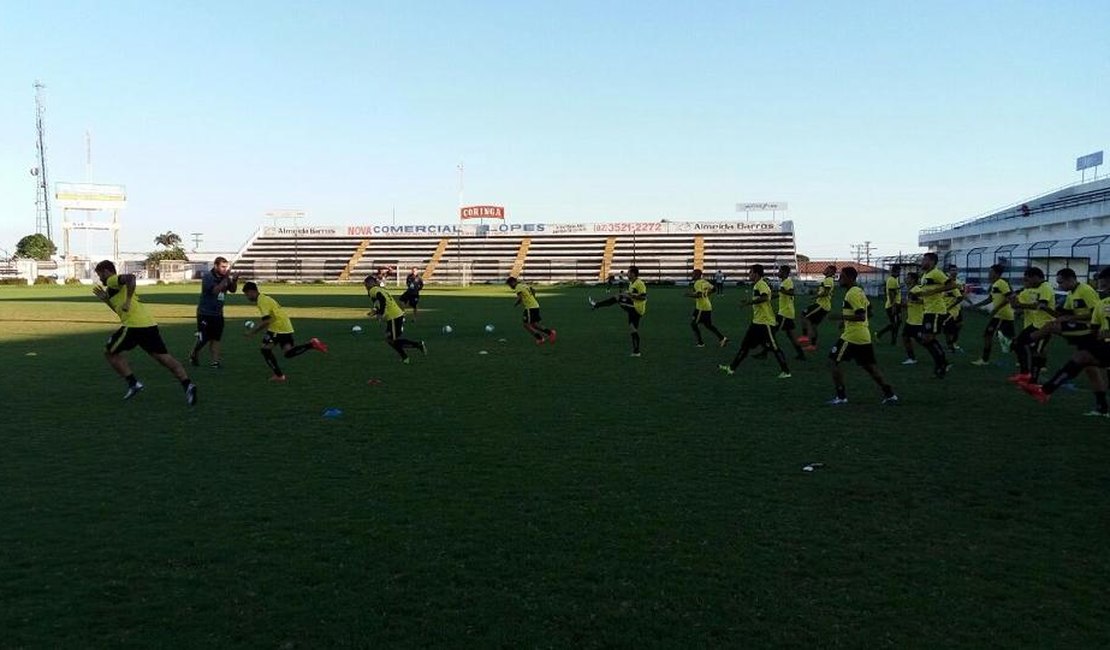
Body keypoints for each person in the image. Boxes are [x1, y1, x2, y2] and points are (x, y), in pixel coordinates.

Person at [92, 260, 197, 405]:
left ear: (106, 271)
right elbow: (121, 312)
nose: (100, 279)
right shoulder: (113, 289)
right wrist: (107, 300)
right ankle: (188, 385)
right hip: (148, 324)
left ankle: (133, 383)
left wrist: (128, 300)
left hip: (134, 326)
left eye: (100, 275)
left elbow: (131, 278)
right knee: (164, 358)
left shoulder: (111, 280)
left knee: (110, 352)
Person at [1021, 268, 1105, 414]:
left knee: (1051, 326)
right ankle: (1102, 407)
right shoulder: (1071, 294)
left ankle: (1027, 340)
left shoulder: (1086, 290)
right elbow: (1062, 314)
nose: (1060, 286)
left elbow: (1095, 313)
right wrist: (1047, 309)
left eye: (1061, 283)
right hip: (1084, 333)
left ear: (1071, 279)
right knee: (1091, 369)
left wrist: (1072, 318)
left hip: (1090, 330)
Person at [825, 266, 898, 405]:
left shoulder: (852, 293)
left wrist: (840, 317)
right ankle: (890, 394)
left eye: (842, 277)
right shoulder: (859, 291)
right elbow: (869, 311)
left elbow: (861, 316)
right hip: (863, 336)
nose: (839, 279)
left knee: (833, 362)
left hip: (852, 336)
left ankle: (841, 397)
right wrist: (846, 319)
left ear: (850, 278)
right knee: (870, 368)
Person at [242, 281, 328, 381]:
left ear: (252, 291)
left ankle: (279, 375)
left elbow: (266, 321)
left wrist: (252, 332)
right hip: (285, 326)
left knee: (265, 350)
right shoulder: (264, 298)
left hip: (278, 328)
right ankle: (311, 345)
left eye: (247, 294)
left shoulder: (262, 301)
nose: (247, 297)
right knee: (288, 353)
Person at [718, 264, 791, 379]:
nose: (749, 274)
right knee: (745, 346)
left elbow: (765, 297)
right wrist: (750, 301)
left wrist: (749, 302)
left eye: (750, 272)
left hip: (765, 322)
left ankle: (786, 372)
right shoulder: (759, 284)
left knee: (775, 347)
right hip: (757, 322)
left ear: (756, 274)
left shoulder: (761, 284)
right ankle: (731, 368)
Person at [1008, 267, 1056, 385]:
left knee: (1036, 351)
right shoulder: (1031, 289)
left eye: (1028, 279)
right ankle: (1025, 374)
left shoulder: (1046, 287)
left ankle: (1033, 381)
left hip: (1045, 326)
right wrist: (1014, 302)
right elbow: (1018, 307)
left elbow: (1041, 305)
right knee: (1017, 343)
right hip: (1035, 325)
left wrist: (1020, 305)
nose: (1026, 282)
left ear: (1036, 277)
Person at [189, 256, 239, 368]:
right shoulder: (208, 277)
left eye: (226, 267)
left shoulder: (225, 277)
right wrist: (226, 278)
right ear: (216, 266)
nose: (225, 269)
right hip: (205, 313)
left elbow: (233, 290)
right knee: (204, 338)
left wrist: (234, 280)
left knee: (216, 338)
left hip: (218, 314)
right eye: (222, 267)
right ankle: (194, 353)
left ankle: (215, 362)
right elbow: (215, 291)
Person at [367, 270, 426, 363]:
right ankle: (407, 355)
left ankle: (415, 348)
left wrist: (380, 313)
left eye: (366, 284)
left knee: (391, 340)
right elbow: (379, 302)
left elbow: (382, 300)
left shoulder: (373, 290)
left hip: (394, 316)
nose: (365, 286)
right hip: (395, 316)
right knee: (390, 340)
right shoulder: (380, 289)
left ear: (370, 284)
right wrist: (376, 311)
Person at [590, 265, 646, 356]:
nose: (627, 274)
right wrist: (628, 294)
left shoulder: (639, 283)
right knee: (633, 329)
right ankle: (636, 352)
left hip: (636, 307)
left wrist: (630, 295)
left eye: (628, 272)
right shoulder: (632, 283)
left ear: (633, 274)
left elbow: (643, 296)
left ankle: (597, 305)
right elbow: (632, 294)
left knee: (618, 297)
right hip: (634, 309)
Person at [917, 252, 956, 378]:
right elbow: (926, 291)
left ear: (932, 262)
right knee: (925, 339)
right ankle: (942, 363)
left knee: (928, 338)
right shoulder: (925, 275)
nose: (922, 262)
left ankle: (942, 365)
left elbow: (951, 285)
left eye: (925, 260)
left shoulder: (937, 273)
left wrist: (934, 291)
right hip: (928, 310)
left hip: (936, 311)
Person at [969, 264, 1015, 366]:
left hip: (1003, 316)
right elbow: (990, 299)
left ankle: (985, 360)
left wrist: (997, 308)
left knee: (992, 337)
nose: (989, 274)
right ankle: (985, 360)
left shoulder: (1002, 283)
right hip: (999, 316)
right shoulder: (995, 284)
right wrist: (976, 305)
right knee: (993, 337)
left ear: (997, 273)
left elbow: (1009, 297)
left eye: (991, 272)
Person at [507, 276, 557, 345]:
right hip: (535, 305)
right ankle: (550, 333)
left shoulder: (518, 287)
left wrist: (516, 304)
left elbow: (520, 298)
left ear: (513, 282)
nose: (510, 287)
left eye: (510, 285)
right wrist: (532, 298)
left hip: (530, 308)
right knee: (534, 324)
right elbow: (533, 290)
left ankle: (540, 338)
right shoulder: (523, 285)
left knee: (526, 325)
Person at [686, 268, 727, 348]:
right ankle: (722, 338)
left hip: (701, 308)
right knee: (708, 325)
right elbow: (714, 289)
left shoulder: (697, 283)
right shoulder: (704, 282)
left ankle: (700, 343)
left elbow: (699, 295)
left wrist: (689, 295)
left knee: (694, 324)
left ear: (697, 275)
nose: (692, 275)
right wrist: (707, 293)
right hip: (707, 306)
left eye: (693, 274)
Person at [798, 264, 836, 351]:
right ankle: (813, 345)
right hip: (824, 306)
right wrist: (814, 291)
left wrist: (815, 296)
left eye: (827, 269)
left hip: (821, 305)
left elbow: (826, 293)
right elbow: (824, 291)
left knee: (803, 315)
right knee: (813, 325)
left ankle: (805, 337)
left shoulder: (828, 280)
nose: (825, 269)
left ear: (831, 272)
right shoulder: (827, 280)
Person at [773, 264, 806, 360]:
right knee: (791, 335)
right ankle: (801, 354)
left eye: (779, 271)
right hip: (787, 312)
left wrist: (782, 290)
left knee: (771, 332)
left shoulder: (787, 282)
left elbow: (791, 292)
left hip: (784, 313)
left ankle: (766, 351)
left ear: (784, 273)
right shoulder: (784, 282)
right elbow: (781, 293)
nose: (778, 273)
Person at [900, 271, 925, 365]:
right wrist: (903, 305)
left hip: (917, 320)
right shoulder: (911, 289)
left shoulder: (917, 289)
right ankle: (912, 358)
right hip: (910, 320)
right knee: (905, 337)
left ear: (913, 280)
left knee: (923, 341)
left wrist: (915, 299)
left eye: (908, 278)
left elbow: (923, 301)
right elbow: (911, 303)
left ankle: (938, 352)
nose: (906, 279)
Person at [874, 264, 903, 345]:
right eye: (899, 271)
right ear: (895, 271)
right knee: (894, 323)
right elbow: (891, 294)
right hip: (892, 305)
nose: (900, 273)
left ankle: (893, 341)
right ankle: (879, 334)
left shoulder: (895, 280)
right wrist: (893, 305)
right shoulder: (891, 280)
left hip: (896, 305)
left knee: (897, 323)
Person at [942, 265, 967, 353]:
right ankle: (949, 346)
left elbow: (962, 295)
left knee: (959, 325)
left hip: (957, 309)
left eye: (955, 270)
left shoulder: (959, 283)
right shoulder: (945, 282)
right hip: (947, 309)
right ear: (949, 272)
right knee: (948, 329)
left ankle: (953, 343)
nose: (954, 272)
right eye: (952, 270)